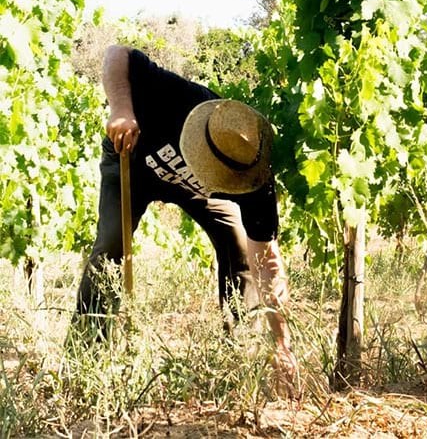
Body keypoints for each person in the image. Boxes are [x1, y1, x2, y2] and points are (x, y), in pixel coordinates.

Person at [71, 44, 296, 378]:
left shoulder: (252, 178)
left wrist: (282, 345)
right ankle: (87, 350)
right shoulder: (177, 99)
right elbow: (117, 54)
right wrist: (121, 109)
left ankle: (240, 348)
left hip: (196, 188)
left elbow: (268, 264)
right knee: (111, 244)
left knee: (240, 250)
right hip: (133, 159)